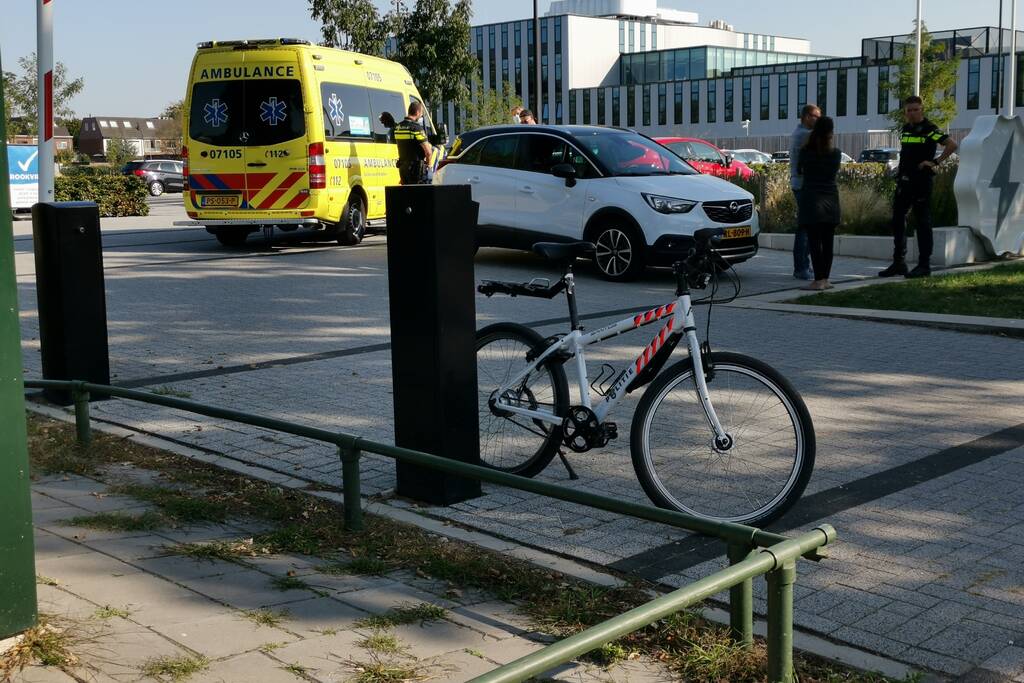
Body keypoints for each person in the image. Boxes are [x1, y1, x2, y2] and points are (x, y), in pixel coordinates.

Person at [878, 96, 958, 278]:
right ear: (905, 112)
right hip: (904, 180)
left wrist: (935, 162)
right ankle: (899, 262)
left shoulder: (930, 130)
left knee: (922, 222)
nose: (912, 113)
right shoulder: (906, 129)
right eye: (909, 110)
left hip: (921, 181)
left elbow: (952, 144)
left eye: (916, 109)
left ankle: (924, 265)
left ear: (922, 109)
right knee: (897, 219)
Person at [797, 116, 842, 291]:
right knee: (828, 242)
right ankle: (826, 279)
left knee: (814, 242)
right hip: (831, 199)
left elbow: (799, 170)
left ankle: (818, 280)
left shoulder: (806, 151)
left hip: (812, 199)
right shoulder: (836, 153)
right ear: (831, 132)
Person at [789, 104, 821, 281]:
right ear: (806, 116)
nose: (818, 120)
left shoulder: (799, 133)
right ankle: (802, 267)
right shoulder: (805, 135)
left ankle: (802, 266)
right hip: (804, 185)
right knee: (805, 228)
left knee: (805, 227)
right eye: (816, 116)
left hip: (800, 184)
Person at [394, 101, 433, 185]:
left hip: (403, 170)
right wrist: (429, 168)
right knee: (417, 196)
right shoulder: (416, 128)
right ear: (417, 112)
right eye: (421, 113)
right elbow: (428, 152)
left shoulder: (398, 127)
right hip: (416, 171)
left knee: (406, 196)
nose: (421, 115)